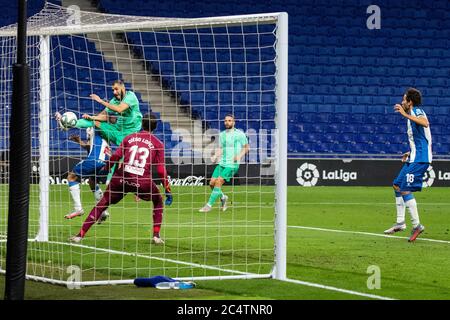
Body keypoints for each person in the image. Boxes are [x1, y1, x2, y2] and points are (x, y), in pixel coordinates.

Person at [69, 113, 173, 245]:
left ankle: (80, 235)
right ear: (155, 127)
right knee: (158, 201)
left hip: (121, 178)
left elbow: (115, 157)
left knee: (102, 204)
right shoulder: (158, 143)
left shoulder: (129, 138)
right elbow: (160, 170)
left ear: (141, 124)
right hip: (142, 181)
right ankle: (156, 236)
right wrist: (167, 190)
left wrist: (107, 169)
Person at [384, 88, 432, 242]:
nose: (402, 102)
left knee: (405, 189)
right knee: (397, 185)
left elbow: (425, 123)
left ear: (410, 102)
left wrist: (405, 114)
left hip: (421, 159)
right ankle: (400, 223)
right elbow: (421, 139)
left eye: (404, 99)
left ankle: (417, 225)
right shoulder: (411, 116)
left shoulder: (417, 111)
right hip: (414, 156)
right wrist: (409, 152)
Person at [199, 114, 249, 213]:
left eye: (230, 120)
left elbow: (246, 147)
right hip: (222, 163)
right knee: (211, 183)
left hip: (232, 164)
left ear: (234, 122)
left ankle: (208, 205)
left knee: (218, 182)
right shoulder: (222, 135)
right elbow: (221, 149)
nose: (227, 122)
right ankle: (223, 197)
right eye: (226, 120)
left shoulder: (239, 134)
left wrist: (239, 156)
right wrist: (215, 156)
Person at [63, 127, 111, 223]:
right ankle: (103, 211)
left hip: (94, 161)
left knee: (71, 177)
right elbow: (90, 147)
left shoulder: (95, 129)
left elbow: (90, 146)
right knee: (92, 182)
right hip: (106, 163)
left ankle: (78, 209)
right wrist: (79, 141)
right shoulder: (106, 136)